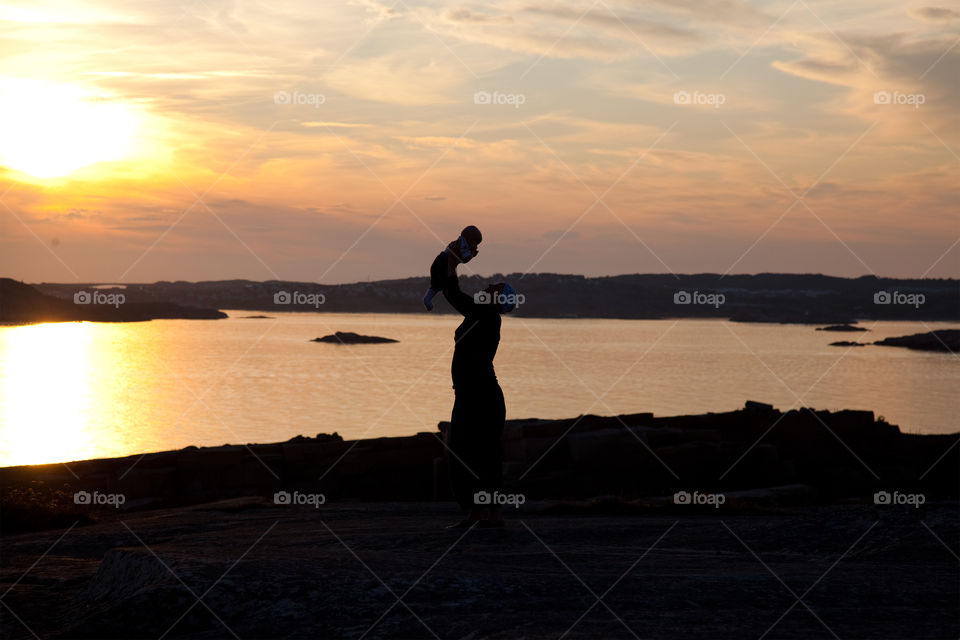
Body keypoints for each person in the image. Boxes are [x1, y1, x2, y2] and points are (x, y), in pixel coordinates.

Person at [441, 259, 518, 529]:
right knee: (466, 454)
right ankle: (476, 514)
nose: (487, 285)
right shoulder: (480, 314)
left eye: (494, 287)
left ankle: (494, 515)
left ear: (497, 299)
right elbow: (453, 293)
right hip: (469, 395)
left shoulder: (485, 315)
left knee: (483, 455)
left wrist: (451, 263)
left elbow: (453, 294)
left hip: (482, 398)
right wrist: (448, 265)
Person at [423, 225, 482, 311]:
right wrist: (472, 254)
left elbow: (460, 260)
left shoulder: (460, 243)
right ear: (470, 239)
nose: (476, 246)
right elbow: (465, 258)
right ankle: (427, 299)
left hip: (440, 261)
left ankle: (427, 299)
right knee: (445, 286)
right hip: (443, 262)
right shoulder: (463, 244)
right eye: (475, 243)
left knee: (437, 284)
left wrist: (471, 254)